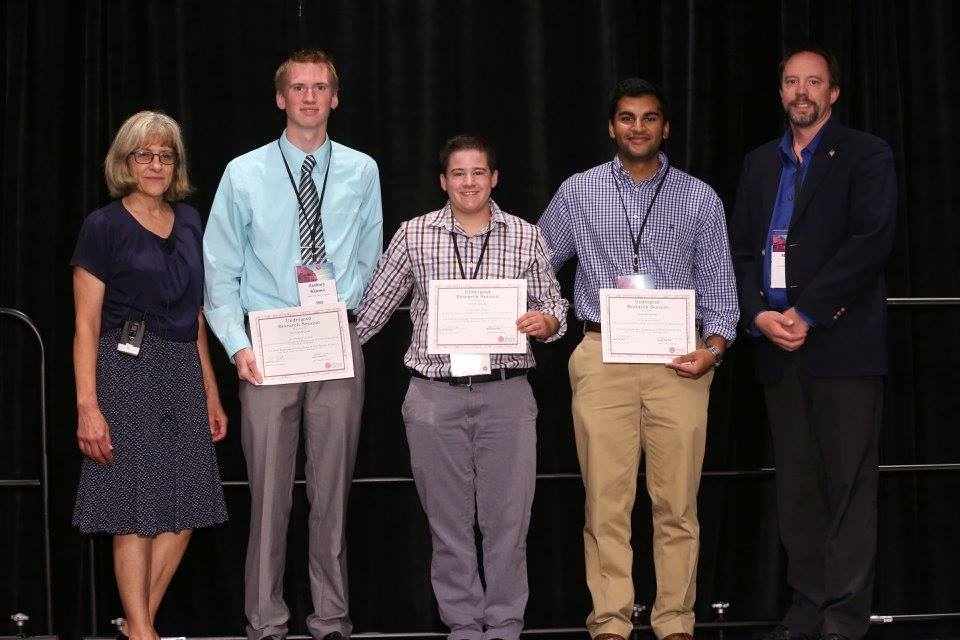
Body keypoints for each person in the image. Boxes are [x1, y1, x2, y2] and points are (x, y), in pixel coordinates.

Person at [537, 79, 739, 640]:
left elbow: (722, 294)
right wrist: (537, 312)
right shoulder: (579, 191)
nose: (638, 128)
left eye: (650, 118)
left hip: (680, 360)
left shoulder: (700, 197)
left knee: (677, 504)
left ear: (665, 127)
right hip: (602, 355)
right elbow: (537, 262)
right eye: (627, 118)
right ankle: (610, 623)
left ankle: (676, 621)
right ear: (612, 126)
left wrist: (713, 351)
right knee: (606, 503)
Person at [355, 134, 568, 640]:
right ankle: (464, 625)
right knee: (447, 525)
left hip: (506, 393)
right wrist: (318, 349)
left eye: (478, 173)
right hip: (433, 397)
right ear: (443, 181)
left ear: (494, 178)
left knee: (508, 523)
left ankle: (505, 624)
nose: (468, 182)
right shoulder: (415, 235)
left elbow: (557, 307)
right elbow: (372, 310)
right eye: (458, 174)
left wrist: (546, 322)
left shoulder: (525, 235)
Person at [202, 49, 383, 640]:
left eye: (320, 87)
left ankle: (331, 616)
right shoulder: (244, 172)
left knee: (332, 490)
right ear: (281, 98)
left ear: (336, 97)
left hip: (335, 340)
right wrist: (236, 346)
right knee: (270, 495)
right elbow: (219, 270)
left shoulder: (362, 170)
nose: (309, 97)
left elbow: (369, 259)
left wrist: (338, 314)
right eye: (298, 88)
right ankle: (266, 618)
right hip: (267, 346)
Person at [730, 44, 896, 640]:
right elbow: (744, 253)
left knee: (847, 488)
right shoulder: (758, 164)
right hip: (777, 348)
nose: (801, 91)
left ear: (833, 93)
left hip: (841, 348)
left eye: (813, 82)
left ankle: (845, 617)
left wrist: (808, 311)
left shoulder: (866, 155)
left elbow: (870, 241)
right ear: (781, 92)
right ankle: (807, 605)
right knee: (797, 488)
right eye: (792, 82)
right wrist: (757, 315)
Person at [72, 110, 228, 640]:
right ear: (125, 161)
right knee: (133, 508)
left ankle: (138, 625)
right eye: (145, 154)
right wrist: (87, 406)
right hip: (125, 372)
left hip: (182, 371)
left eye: (165, 156)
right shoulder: (103, 226)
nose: (155, 164)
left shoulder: (190, 222)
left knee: (187, 506)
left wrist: (211, 390)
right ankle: (142, 631)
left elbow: (199, 314)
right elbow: (85, 326)